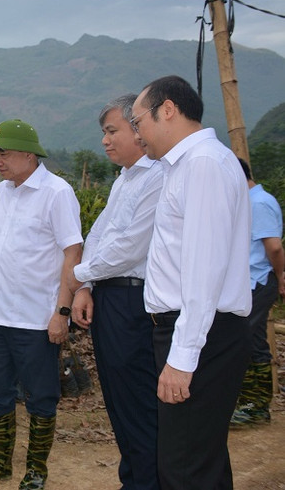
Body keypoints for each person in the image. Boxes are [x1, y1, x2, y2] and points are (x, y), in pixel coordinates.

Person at [132, 75, 252, 490]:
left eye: (137, 121)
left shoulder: (203, 165)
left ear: (167, 110)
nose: (137, 133)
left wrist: (182, 359)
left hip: (200, 331)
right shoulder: (189, 165)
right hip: (195, 328)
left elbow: (204, 272)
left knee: (184, 466)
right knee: (200, 458)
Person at [0, 119, 82, 490]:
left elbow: (72, 253)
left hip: (37, 318)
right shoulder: (4, 191)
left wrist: (62, 311)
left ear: (29, 155)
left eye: (4, 153)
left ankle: (36, 470)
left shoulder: (56, 193)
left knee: (41, 395)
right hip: (0, 315)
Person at [69, 95, 163, 490]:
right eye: (103, 133)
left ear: (139, 130)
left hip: (132, 299)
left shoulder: (157, 177)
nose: (105, 141)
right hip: (110, 295)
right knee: (118, 399)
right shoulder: (125, 180)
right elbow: (98, 236)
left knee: (137, 400)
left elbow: (129, 248)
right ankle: (134, 479)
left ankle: (149, 481)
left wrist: (76, 276)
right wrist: (86, 285)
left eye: (112, 131)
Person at [231, 158, 284, 426]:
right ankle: (249, 402)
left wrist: (280, 275)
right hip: (248, 282)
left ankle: (257, 406)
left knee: (251, 341)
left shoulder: (259, 203)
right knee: (248, 341)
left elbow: (273, 246)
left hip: (260, 280)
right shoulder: (249, 203)